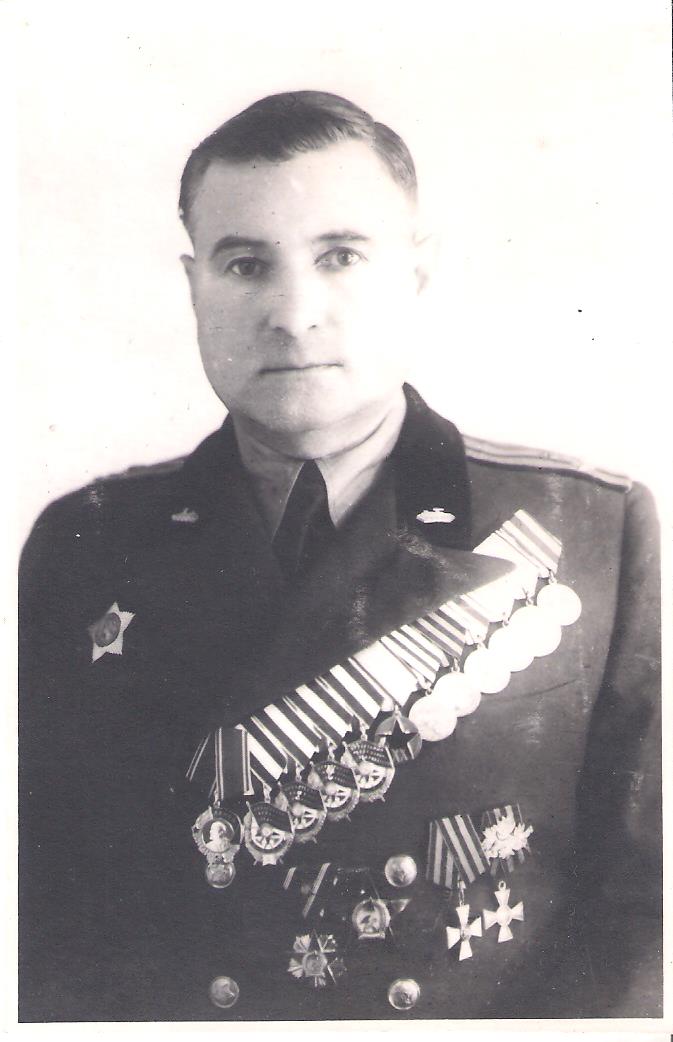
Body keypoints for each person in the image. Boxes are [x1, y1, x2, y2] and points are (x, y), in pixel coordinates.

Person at [18, 90, 662, 1022]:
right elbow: (39, 917)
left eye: (340, 257)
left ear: (416, 273)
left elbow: (645, 923)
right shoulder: (85, 546)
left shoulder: (591, 529)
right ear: (195, 286)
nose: (292, 313)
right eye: (245, 264)